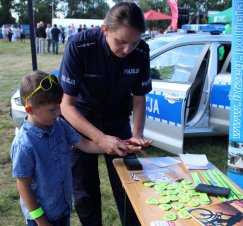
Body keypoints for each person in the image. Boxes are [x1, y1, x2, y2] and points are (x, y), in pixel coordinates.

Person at [58, 2, 152, 226]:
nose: (127, 49)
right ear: (105, 30)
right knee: (85, 188)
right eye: (121, 41)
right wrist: (99, 138)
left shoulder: (141, 52)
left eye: (134, 42)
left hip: (117, 117)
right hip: (81, 118)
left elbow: (139, 98)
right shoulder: (80, 46)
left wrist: (137, 132)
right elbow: (66, 105)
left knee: (128, 184)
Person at [10, 71, 127, 226]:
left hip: (62, 209)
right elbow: (23, 186)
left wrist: (118, 145)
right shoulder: (24, 145)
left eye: (59, 106)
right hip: (40, 218)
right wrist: (41, 220)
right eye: (52, 110)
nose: (59, 112)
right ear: (30, 110)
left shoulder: (59, 125)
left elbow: (85, 144)